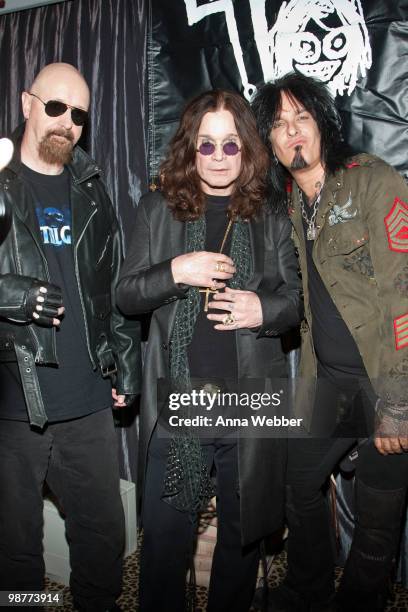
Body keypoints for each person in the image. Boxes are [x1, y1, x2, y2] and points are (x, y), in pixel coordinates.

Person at [116, 89, 302, 612]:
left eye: (230, 145)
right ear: (189, 149)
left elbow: (294, 302)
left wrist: (261, 310)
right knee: (164, 551)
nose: (219, 157)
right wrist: (178, 272)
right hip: (180, 404)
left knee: (241, 548)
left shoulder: (269, 213)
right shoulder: (157, 209)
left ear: (247, 150)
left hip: (249, 406)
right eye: (206, 146)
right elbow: (126, 293)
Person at [252, 72, 408, 612]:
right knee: (298, 483)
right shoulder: (296, 206)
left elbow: (402, 291)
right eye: (279, 125)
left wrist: (397, 403)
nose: (292, 132)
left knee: (377, 519)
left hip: (388, 380)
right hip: (334, 385)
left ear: (322, 124)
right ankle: (308, 588)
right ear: (269, 143)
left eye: (302, 118)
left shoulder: (372, 180)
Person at [0, 63, 141, 611]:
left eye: (79, 113)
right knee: (14, 554)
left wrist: (124, 361)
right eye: (55, 107)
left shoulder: (91, 187)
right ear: (26, 103)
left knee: (103, 542)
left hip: (88, 403)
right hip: (14, 400)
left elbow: (111, 287)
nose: (67, 122)